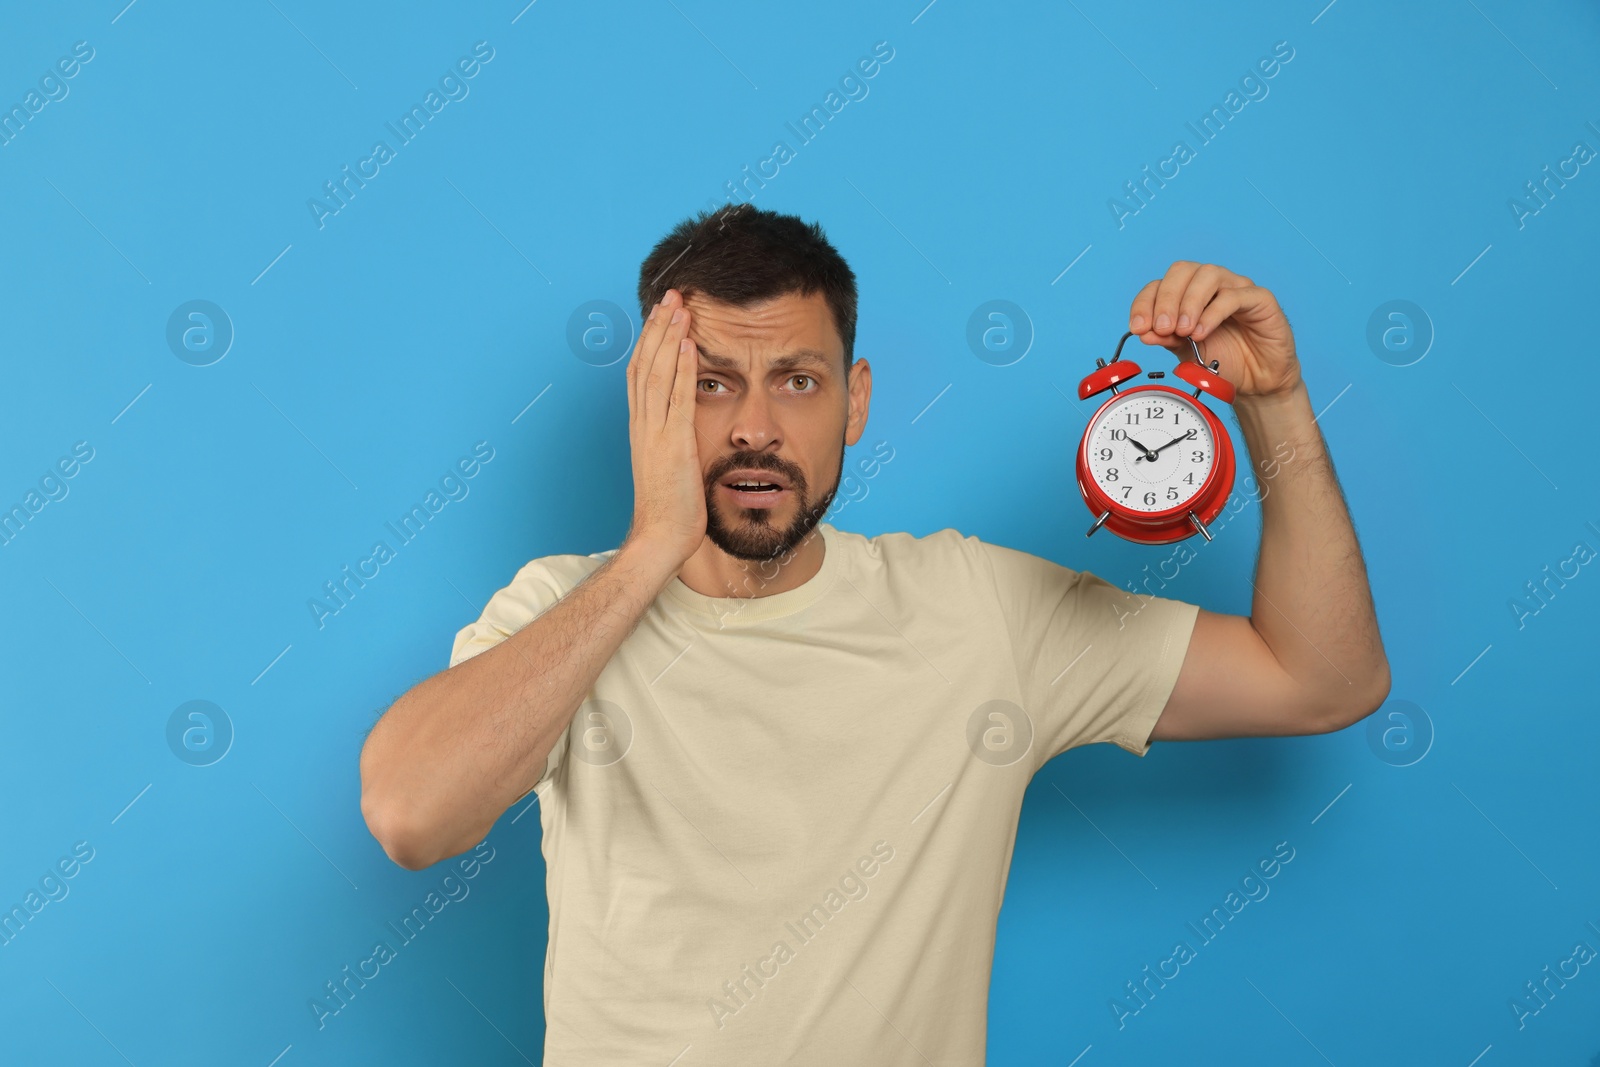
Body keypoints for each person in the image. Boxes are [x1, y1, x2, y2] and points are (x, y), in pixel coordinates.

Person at [358, 204, 1390, 1063]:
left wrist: (1276, 406)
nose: (753, 426)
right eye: (711, 381)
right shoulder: (564, 605)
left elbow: (1319, 678)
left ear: (853, 402)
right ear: (652, 397)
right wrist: (648, 550)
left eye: (796, 381)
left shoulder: (975, 609)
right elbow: (411, 814)